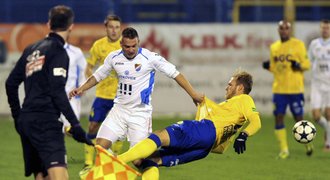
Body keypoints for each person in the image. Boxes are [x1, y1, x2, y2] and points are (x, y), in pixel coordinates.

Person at [69, 27, 204, 169]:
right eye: (127, 46)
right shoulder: (114, 58)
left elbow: (176, 74)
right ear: (121, 44)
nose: (131, 49)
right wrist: (81, 89)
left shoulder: (150, 58)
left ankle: (169, 156)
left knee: (138, 161)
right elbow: (98, 76)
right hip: (119, 111)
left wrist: (193, 94)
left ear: (138, 42)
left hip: (140, 114)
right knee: (100, 147)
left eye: (134, 46)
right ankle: (116, 173)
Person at [116, 70, 261, 179]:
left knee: (159, 136)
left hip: (205, 130)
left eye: (230, 85)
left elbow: (256, 122)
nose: (226, 88)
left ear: (240, 88)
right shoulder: (232, 108)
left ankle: (117, 161)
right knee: (148, 160)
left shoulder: (244, 99)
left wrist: (244, 135)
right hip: (204, 149)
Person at [5, 5, 92, 180]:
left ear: (49, 23)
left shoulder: (32, 49)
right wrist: (75, 126)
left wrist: (18, 118)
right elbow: (57, 91)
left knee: (42, 176)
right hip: (46, 123)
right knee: (59, 177)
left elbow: (10, 83)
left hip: (28, 122)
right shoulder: (59, 52)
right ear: (71, 26)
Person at [79, 14, 123, 175]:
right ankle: (88, 163)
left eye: (117, 27)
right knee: (92, 126)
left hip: (120, 97)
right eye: (111, 27)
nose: (114, 30)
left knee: (119, 131)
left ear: (120, 28)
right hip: (103, 95)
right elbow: (88, 67)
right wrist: (92, 77)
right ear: (106, 28)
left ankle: (115, 159)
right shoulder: (98, 45)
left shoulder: (125, 45)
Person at [262, 20, 311, 159]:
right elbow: (276, 68)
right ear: (278, 30)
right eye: (281, 28)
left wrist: (299, 65)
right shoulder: (274, 47)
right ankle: (284, 150)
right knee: (278, 117)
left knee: (298, 119)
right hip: (279, 90)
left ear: (290, 30)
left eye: (286, 28)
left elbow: (307, 64)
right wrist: (268, 66)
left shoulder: (298, 44)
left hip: (295, 89)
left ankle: (307, 143)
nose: (284, 31)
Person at [308, 19, 330, 151]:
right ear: (320, 29)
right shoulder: (314, 44)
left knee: (329, 113)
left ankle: (328, 143)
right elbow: (309, 60)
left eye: (327, 28)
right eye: (323, 28)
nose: (325, 30)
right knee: (316, 116)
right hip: (317, 84)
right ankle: (328, 132)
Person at [59, 42, 87, 133]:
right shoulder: (44, 50)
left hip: (70, 97)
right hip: (50, 97)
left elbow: (84, 69)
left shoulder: (75, 52)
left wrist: (82, 86)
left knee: (72, 129)